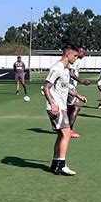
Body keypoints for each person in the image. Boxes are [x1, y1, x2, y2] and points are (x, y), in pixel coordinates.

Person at [42, 44, 79, 176]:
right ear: (67, 54)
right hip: (56, 107)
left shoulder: (65, 69)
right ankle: (62, 165)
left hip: (61, 106)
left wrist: (78, 95)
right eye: (75, 55)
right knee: (66, 134)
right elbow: (46, 87)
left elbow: (64, 87)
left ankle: (55, 164)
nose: (76, 58)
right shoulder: (57, 68)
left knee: (61, 135)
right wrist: (52, 104)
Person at [67, 46, 91, 138]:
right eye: (83, 53)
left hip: (68, 87)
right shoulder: (75, 60)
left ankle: (65, 129)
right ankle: (69, 130)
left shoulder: (75, 60)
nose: (84, 55)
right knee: (76, 107)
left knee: (69, 108)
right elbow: (71, 73)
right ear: (79, 52)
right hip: (69, 87)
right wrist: (82, 81)